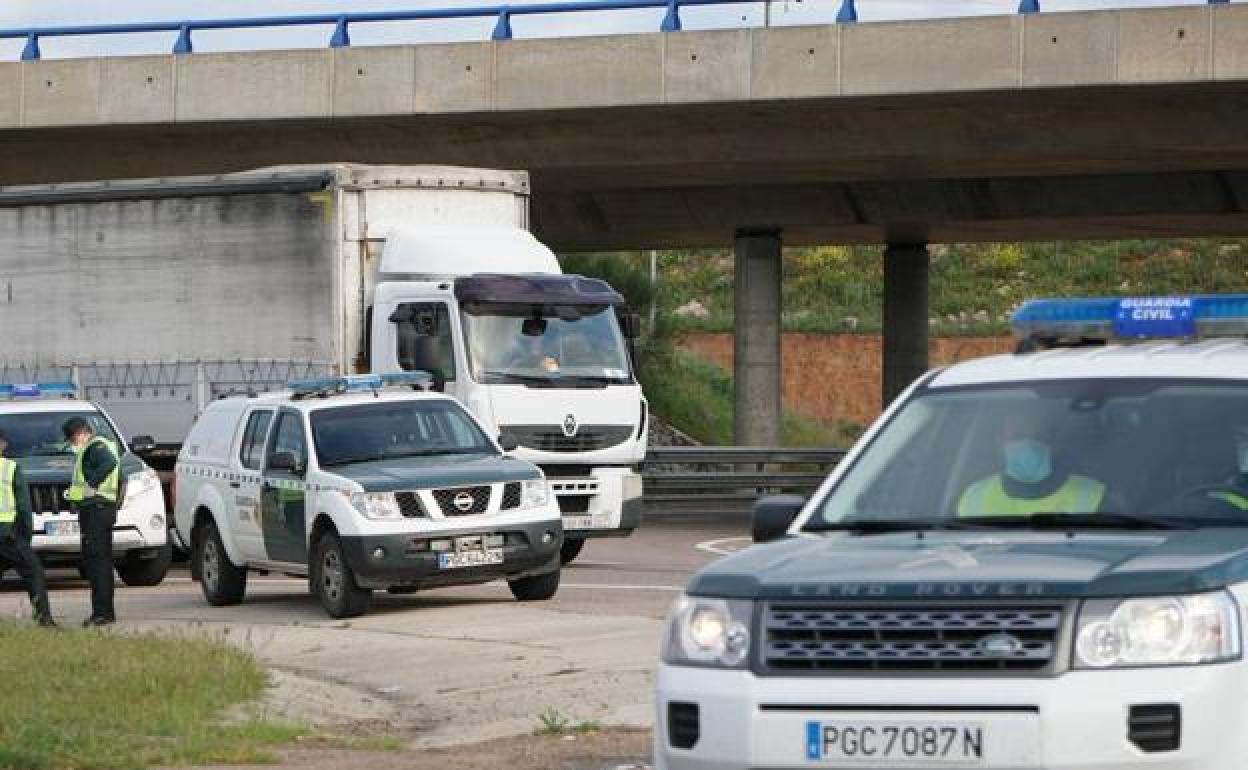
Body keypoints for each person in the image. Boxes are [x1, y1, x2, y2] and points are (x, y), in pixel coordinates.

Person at [958, 412, 1107, 517]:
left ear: (1054, 443)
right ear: (999, 443)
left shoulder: (1093, 495)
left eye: (1038, 437)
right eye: (1017, 436)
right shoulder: (972, 497)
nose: (1028, 444)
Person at [62, 416, 120, 627]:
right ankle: (103, 612)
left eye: (72, 439)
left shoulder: (95, 447)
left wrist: (91, 485)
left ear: (79, 434)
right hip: (98, 509)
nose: (72, 445)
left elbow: (109, 464)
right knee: (97, 562)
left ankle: (102, 614)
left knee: (98, 563)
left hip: (97, 509)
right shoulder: (99, 446)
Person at [0, 429, 55, 627]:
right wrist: (25, 537)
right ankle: (44, 619)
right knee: (33, 571)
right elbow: (24, 507)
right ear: (3, 445)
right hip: (7, 534)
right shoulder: (10, 468)